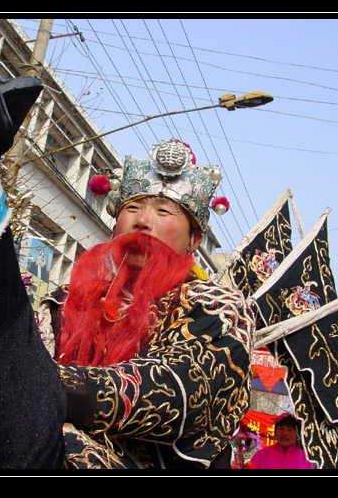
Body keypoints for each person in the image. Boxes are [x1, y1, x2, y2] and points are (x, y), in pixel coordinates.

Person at [37, 139, 256, 469]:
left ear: (194, 240)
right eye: (132, 208)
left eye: (164, 211)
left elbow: (177, 390)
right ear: (115, 224)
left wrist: (38, 382)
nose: (143, 221)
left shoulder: (217, 308)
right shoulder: (63, 302)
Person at [248, 414, 313, 470]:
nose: (285, 433)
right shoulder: (261, 456)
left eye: (290, 430)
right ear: (275, 432)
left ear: (297, 435)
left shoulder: (306, 459)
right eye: (281, 429)